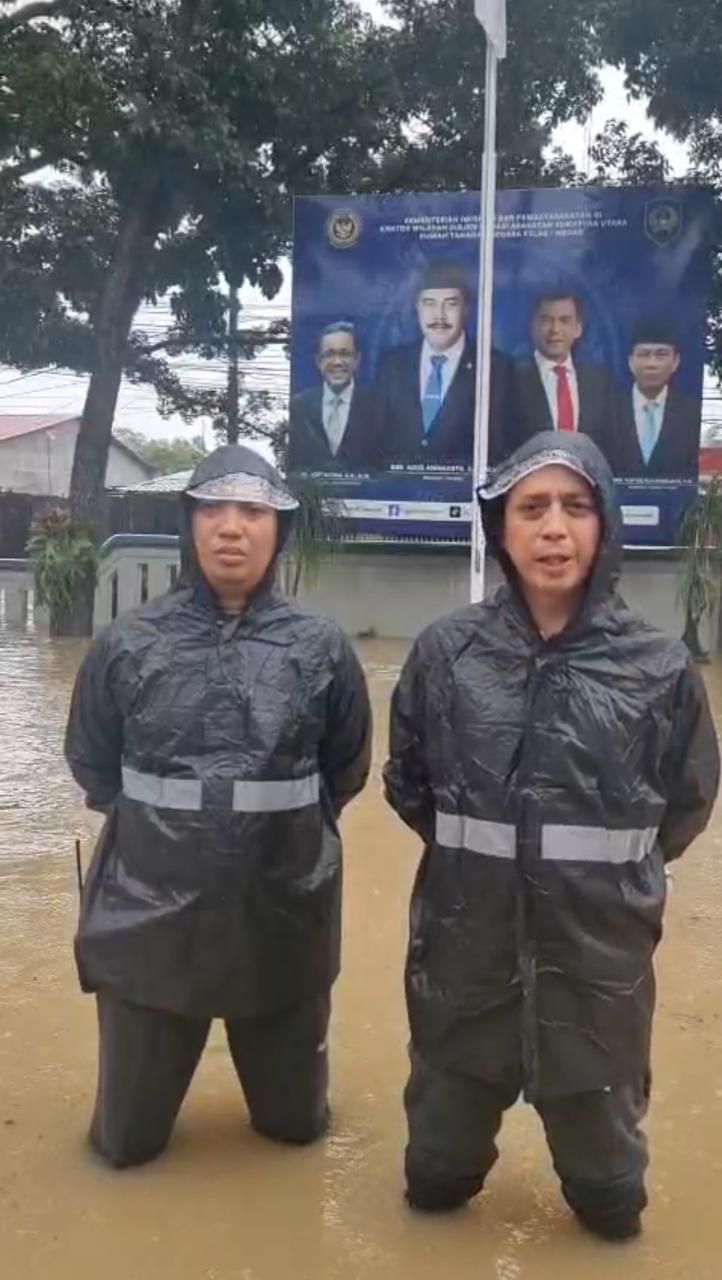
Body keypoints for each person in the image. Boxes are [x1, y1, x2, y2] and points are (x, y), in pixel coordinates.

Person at [384, 431, 719, 1241]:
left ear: (605, 527)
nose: (554, 530)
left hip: (596, 976)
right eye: (532, 509)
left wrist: (600, 878)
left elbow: (686, 803)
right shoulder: (446, 655)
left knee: (611, 1210)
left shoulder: (658, 668)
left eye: (576, 507)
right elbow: (410, 784)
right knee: (433, 1187)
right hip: (463, 968)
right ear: (501, 529)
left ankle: (603, 1183)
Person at [65, 444, 372, 1169]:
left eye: (254, 511)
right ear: (189, 523)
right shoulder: (127, 645)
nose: (232, 527)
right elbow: (93, 765)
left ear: (279, 529)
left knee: (296, 1134)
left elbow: (346, 770)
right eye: (214, 509)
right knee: (125, 1148)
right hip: (149, 922)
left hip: (283, 918)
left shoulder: (322, 649)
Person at [374, 260, 513, 467]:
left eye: (451, 304)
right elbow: (376, 445)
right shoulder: (392, 365)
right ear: (417, 307)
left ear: (466, 309)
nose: (439, 315)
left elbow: (498, 452)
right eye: (429, 303)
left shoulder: (495, 367)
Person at [514, 291, 617, 458]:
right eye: (547, 320)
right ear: (533, 327)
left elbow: (610, 447)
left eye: (564, 321)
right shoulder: (511, 378)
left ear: (578, 329)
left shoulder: (599, 382)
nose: (555, 329)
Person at [614, 317, 701, 479]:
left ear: (675, 362)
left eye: (661, 355)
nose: (651, 364)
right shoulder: (607, 409)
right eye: (644, 354)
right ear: (630, 362)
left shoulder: (692, 412)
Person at [288, 322, 375, 470]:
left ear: (357, 360)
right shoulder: (299, 406)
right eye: (329, 354)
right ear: (318, 361)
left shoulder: (378, 405)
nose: (337, 362)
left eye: (344, 354)